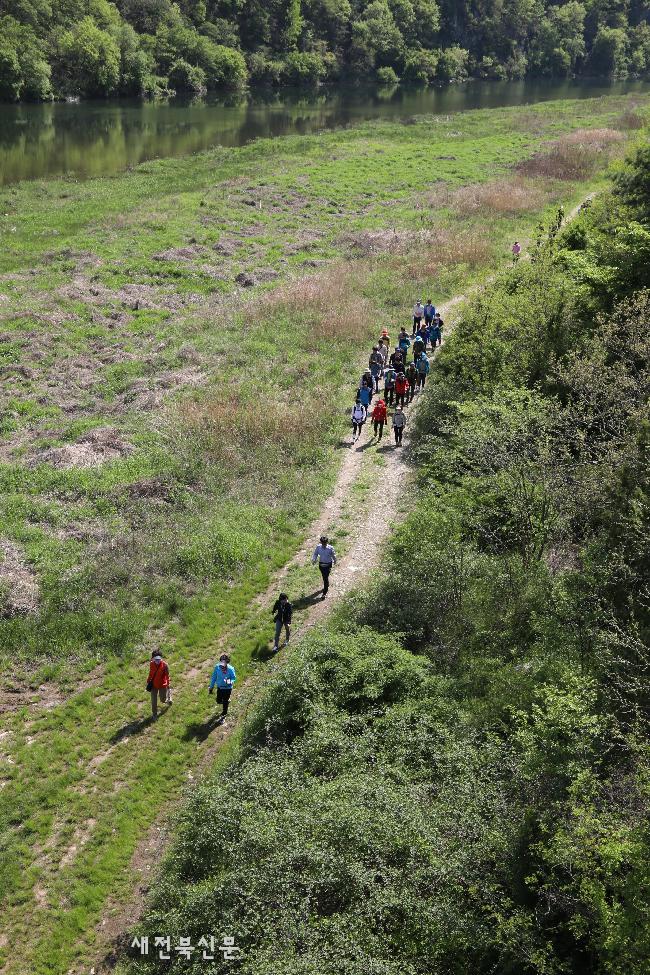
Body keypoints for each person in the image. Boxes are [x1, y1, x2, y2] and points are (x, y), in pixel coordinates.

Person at [209, 652, 236, 721]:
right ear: (220, 661)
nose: (223, 663)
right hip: (220, 687)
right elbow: (214, 677)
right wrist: (211, 687)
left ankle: (224, 714)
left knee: (225, 702)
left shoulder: (231, 669)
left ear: (227, 662)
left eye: (225, 661)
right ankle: (225, 701)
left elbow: (233, 678)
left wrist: (229, 681)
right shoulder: (217, 668)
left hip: (228, 688)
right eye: (222, 661)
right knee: (218, 700)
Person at [146, 650, 171, 720]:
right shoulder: (151, 664)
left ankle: (169, 697)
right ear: (152, 658)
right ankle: (154, 714)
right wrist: (148, 681)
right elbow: (151, 673)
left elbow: (167, 676)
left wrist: (168, 685)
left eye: (158, 659)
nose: (157, 661)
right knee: (153, 700)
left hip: (162, 685)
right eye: (155, 659)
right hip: (154, 685)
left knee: (163, 700)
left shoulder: (165, 665)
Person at [312, 534, 337, 599]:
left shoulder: (330, 548)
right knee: (324, 576)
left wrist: (335, 560)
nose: (323, 545)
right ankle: (327, 584)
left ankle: (324, 592)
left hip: (328, 564)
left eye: (325, 543)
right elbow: (315, 553)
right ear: (321, 542)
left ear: (327, 542)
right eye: (322, 543)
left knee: (325, 578)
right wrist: (314, 559)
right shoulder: (318, 547)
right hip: (321, 565)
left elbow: (333, 555)